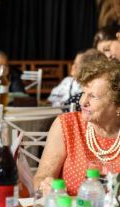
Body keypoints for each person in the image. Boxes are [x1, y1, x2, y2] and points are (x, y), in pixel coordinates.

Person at [33, 55, 120, 196]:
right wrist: (44, 186)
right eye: (83, 93)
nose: (82, 102)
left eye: (93, 96)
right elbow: (41, 177)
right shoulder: (67, 125)